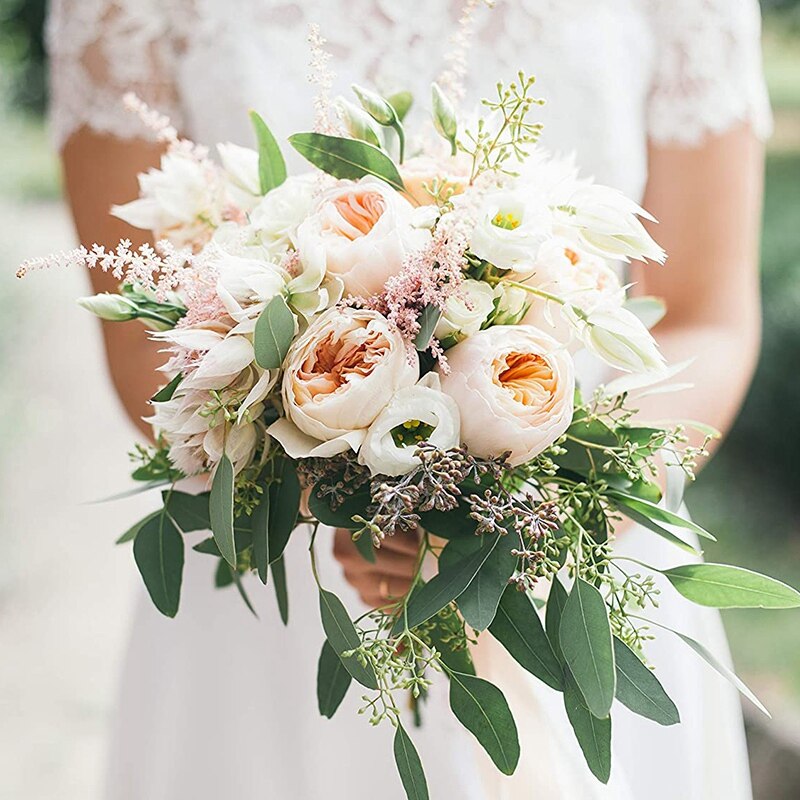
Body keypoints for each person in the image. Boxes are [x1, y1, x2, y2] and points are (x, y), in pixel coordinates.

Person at [47, 1, 771, 797]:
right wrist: (359, 509)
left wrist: (526, 525)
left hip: (575, 563)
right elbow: (146, 349)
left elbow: (707, 315)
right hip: (286, 583)